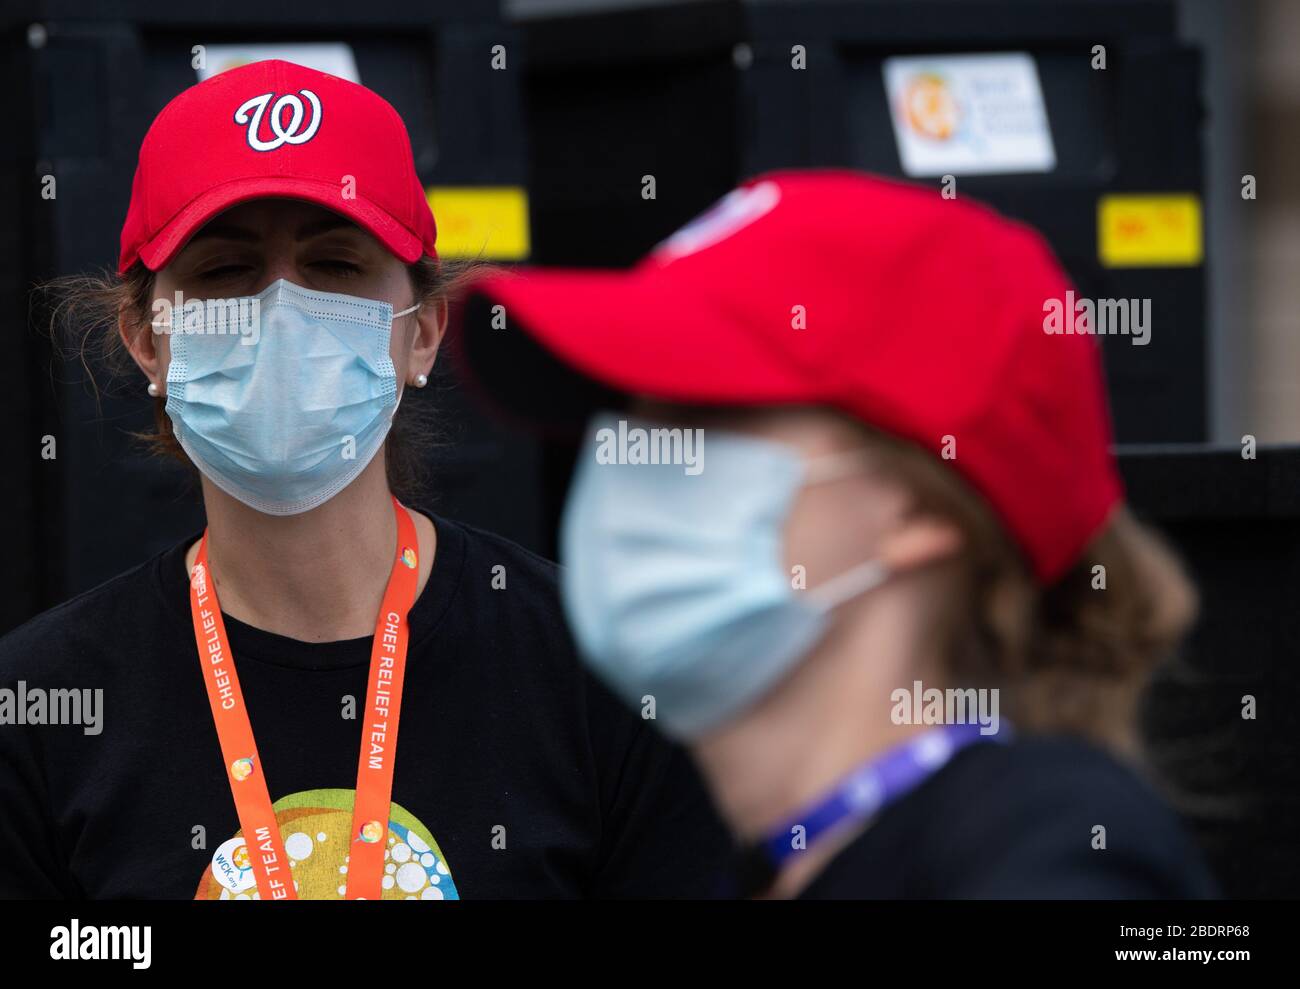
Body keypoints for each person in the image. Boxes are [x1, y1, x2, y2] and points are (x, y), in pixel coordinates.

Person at [0, 60, 732, 899]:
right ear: (146, 339)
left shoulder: (604, 674)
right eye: (225, 270)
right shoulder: (40, 704)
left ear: (423, 331)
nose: (282, 308)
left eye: (337, 267)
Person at [458, 170, 1220, 898]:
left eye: (708, 410)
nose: (632, 452)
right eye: (631, 407)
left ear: (924, 510)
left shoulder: (1043, 843)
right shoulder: (796, 860)